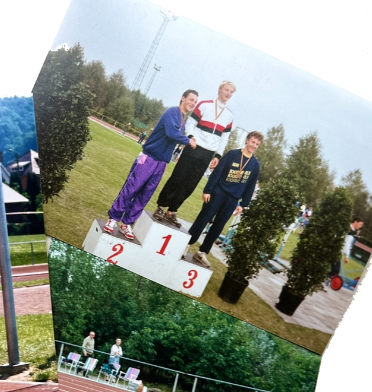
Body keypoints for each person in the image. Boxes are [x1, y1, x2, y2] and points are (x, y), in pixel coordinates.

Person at [104, 90, 199, 240]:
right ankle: (113, 219)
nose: (193, 103)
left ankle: (127, 224)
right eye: (191, 99)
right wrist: (189, 141)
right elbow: (171, 133)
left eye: (195, 101)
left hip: (161, 163)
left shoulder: (182, 119)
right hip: (149, 158)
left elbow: (171, 142)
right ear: (183, 98)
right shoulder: (172, 112)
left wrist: (166, 160)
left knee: (145, 195)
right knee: (132, 189)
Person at [153, 81, 236, 228]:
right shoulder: (204, 104)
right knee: (178, 177)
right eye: (226, 90)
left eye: (231, 92)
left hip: (208, 153)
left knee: (190, 183)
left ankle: (172, 211)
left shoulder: (229, 115)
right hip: (194, 146)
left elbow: (224, 138)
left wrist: (217, 156)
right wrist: (191, 137)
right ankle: (161, 206)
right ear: (220, 90)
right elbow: (190, 123)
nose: (228, 93)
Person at [184, 131, 264, 268]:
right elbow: (217, 172)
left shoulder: (255, 164)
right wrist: (208, 190)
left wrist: (243, 204)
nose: (254, 146)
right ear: (247, 140)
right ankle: (186, 245)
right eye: (252, 142)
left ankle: (202, 252)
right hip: (218, 193)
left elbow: (250, 185)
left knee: (218, 227)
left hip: (232, 199)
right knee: (203, 219)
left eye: (257, 144)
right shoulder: (232, 154)